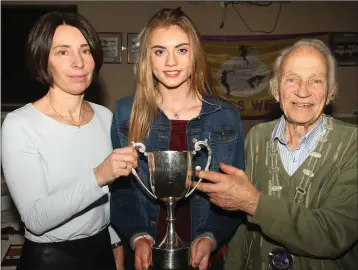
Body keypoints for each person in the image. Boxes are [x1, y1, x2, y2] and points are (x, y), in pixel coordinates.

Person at [195, 39, 358, 270]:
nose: (303, 91)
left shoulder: (352, 144)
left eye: (316, 80)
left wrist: (254, 202)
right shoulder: (257, 137)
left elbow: (332, 234)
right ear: (275, 90)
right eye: (292, 79)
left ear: (330, 92)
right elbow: (242, 227)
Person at [110, 7, 245, 270]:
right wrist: (138, 235)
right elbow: (121, 193)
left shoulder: (224, 116)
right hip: (145, 256)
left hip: (204, 255)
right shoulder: (127, 113)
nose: (171, 62)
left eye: (181, 50)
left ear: (195, 54)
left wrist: (210, 237)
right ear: (147, 58)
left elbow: (235, 193)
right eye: (160, 51)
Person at [1, 12, 137, 270]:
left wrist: (115, 240)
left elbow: (109, 198)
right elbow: (35, 218)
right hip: (50, 258)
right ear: (43, 61)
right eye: (63, 52)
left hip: (102, 251)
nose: (79, 63)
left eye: (85, 51)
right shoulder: (20, 124)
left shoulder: (104, 116)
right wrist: (98, 175)